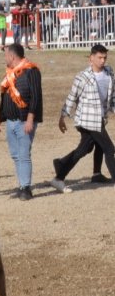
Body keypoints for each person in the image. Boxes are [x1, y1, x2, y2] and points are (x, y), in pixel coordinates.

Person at [49, 44, 115, 193]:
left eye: (105, 57)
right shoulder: (82, 77)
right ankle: (60, 176)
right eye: (99, 58)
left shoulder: (109, 73)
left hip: (99, 119)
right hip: (86, 120)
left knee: (85, 149)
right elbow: (72, 98)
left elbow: (112, 96)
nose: (102, 61)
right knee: (109, 148)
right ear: (90, 58)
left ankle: (62, 171)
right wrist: (62, 116)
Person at [0, 44, 43, 200]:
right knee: (16, 155)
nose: (4, 58)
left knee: (23, 154)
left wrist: (30, 118)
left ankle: (26, 188)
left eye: (6, 55)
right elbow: (5, 97)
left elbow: (35, 96)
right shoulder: (10, 74)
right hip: (11, 120)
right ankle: (22, 184)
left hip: (24, 121)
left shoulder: (31, 71)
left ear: (12, 57)